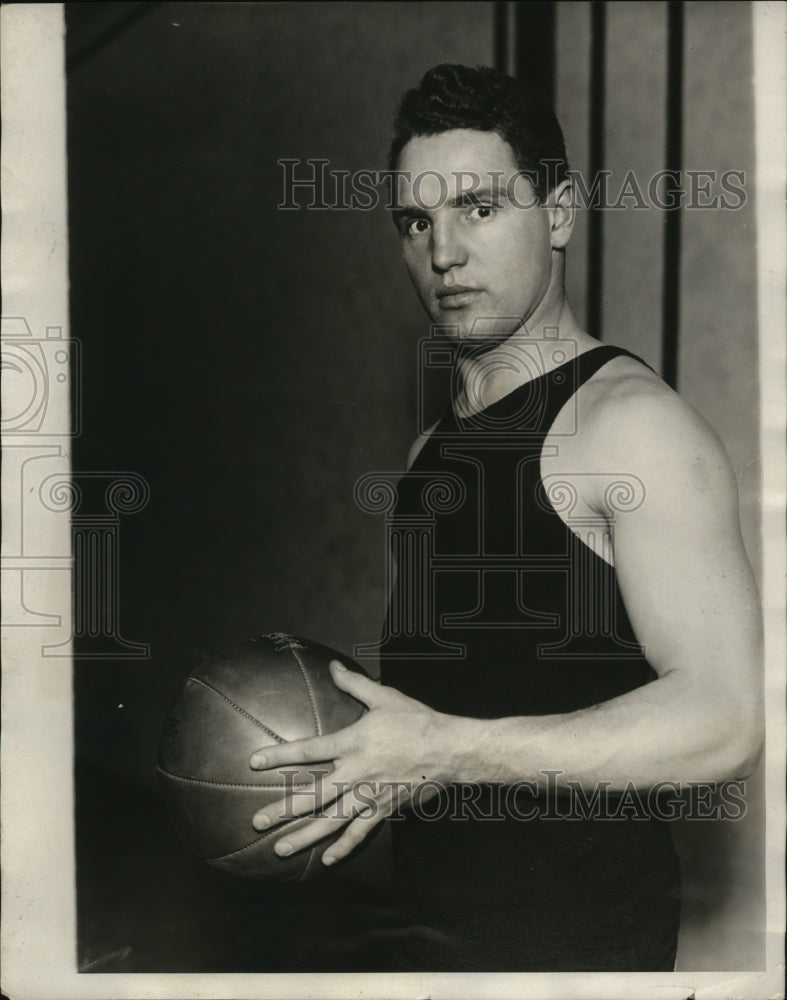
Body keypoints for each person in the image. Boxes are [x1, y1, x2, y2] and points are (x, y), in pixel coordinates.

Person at [247, 64, 763, 971]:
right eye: (416, 220)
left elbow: (723, 720)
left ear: (559, 213)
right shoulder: (427, 456)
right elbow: (457, 708)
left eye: (479, 209)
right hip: (432, 933)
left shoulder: (629, 426)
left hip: (580, 951)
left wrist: (444, 754)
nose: (442, 252)